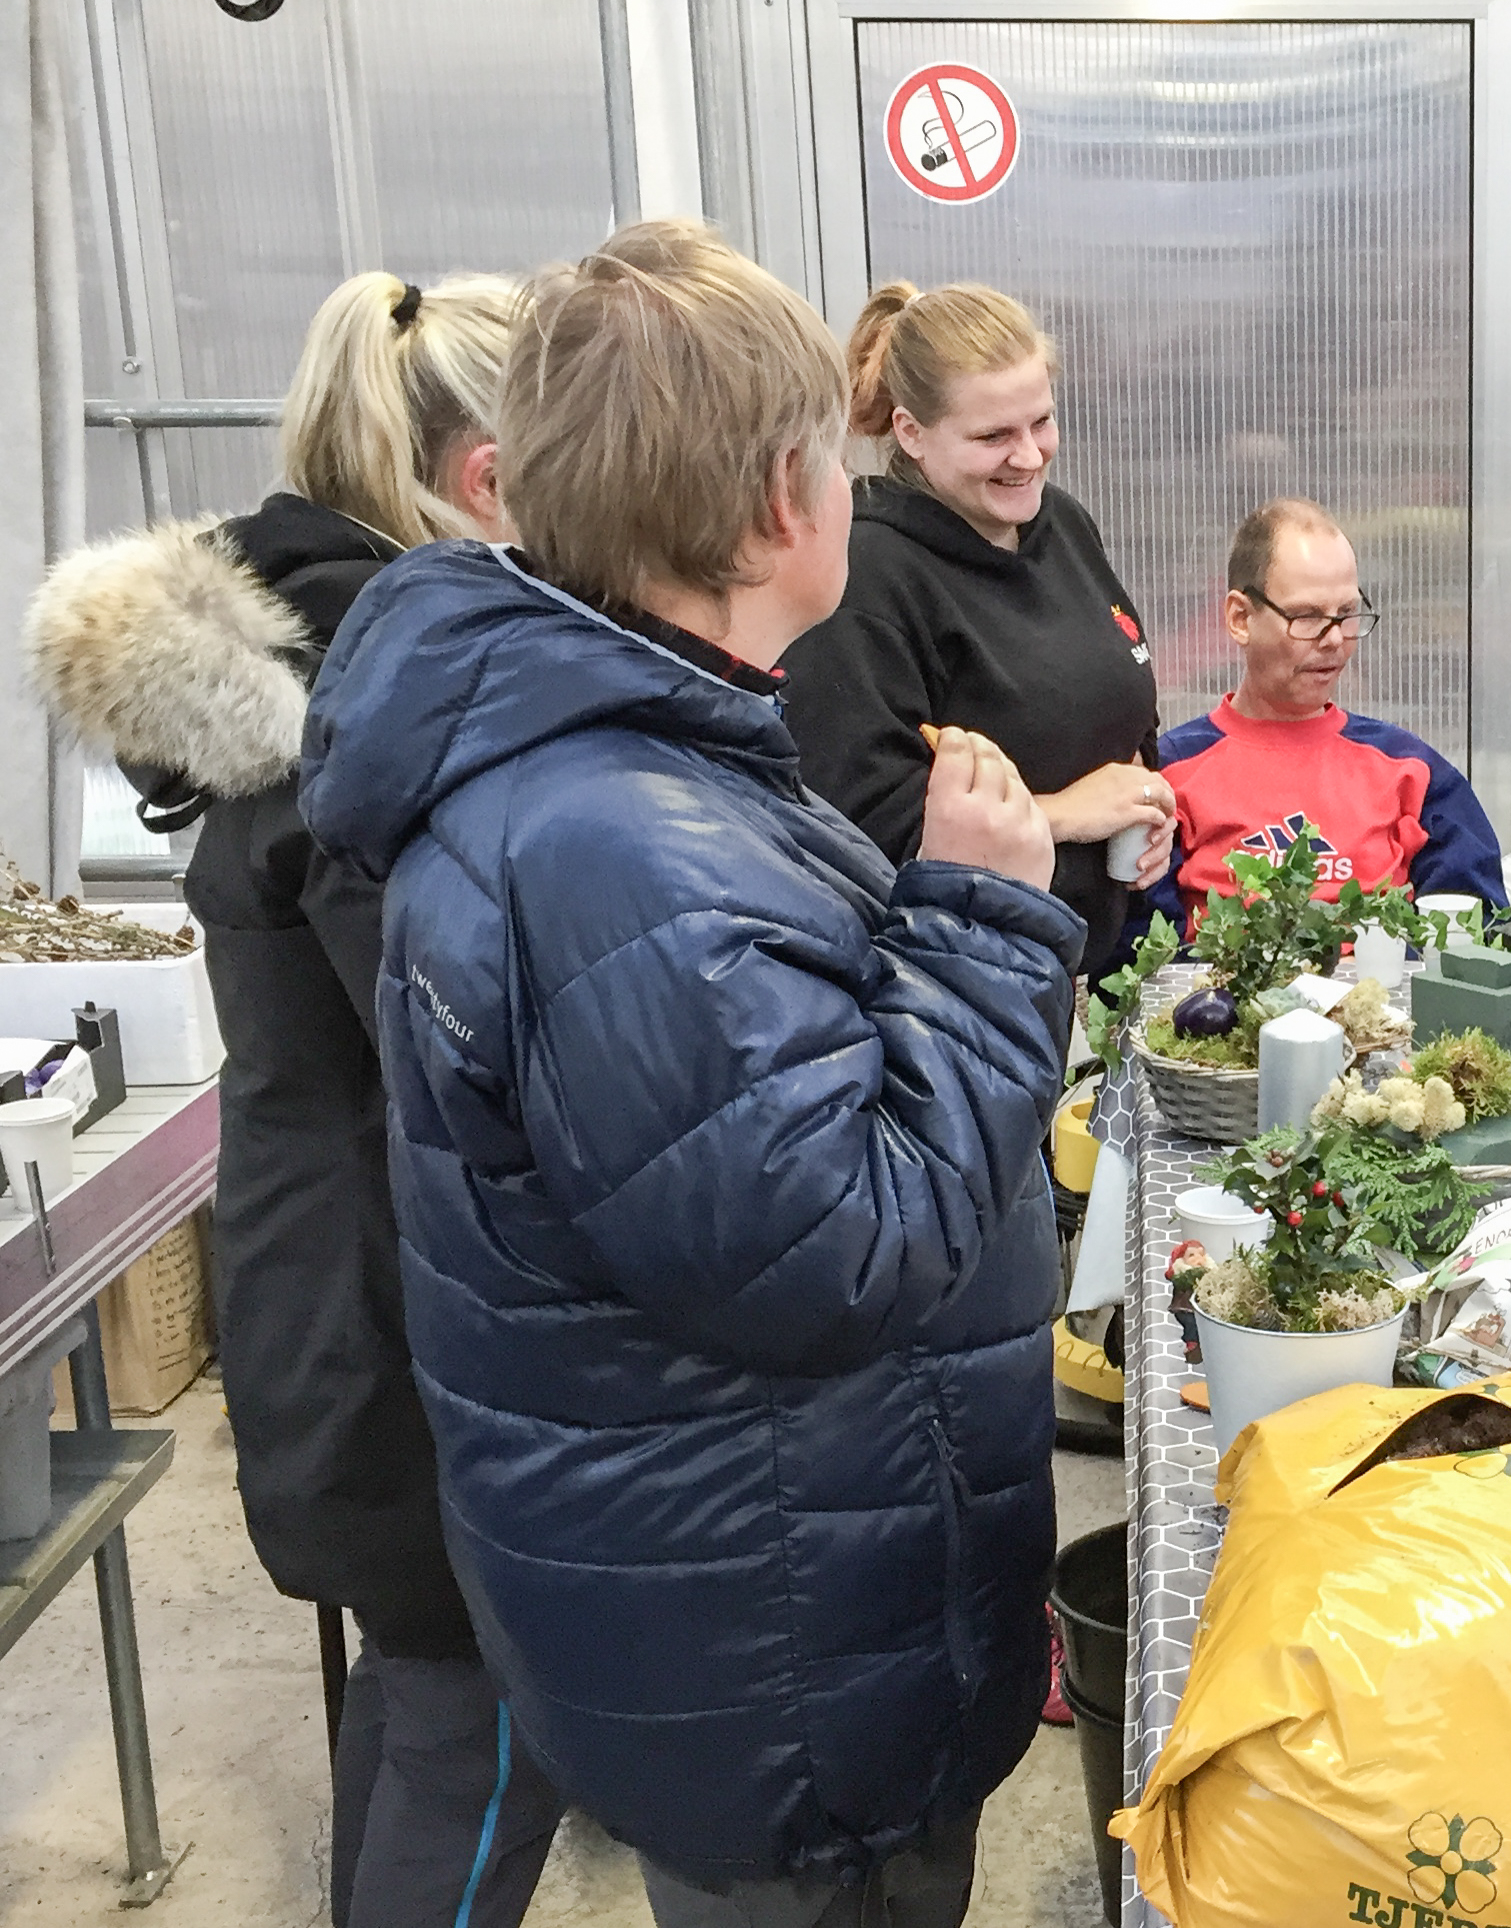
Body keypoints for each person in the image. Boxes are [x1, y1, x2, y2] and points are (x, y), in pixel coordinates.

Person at [297, 221, 1079, 1926]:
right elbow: (840, 1247)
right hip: (777, 1650)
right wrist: (990, 918)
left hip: (783, 1583)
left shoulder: (647, 760)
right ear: (776, 508)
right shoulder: (616, 846)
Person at [25, 270, 562, 1927]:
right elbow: (469, 1054)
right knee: (488, 1721)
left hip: (324, 1273)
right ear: (488, 474)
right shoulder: (382, 712)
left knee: (415, 1694)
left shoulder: (301, 670)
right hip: (405, 1312)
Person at [779, 280, 1169, 972]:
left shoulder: (1062, 525)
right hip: (958, 987)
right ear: (911, 432)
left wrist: (1142, 799)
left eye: (1041, 422)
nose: (1029, 455)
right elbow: (859, 834)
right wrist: (1066, 814)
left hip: (1090, 971)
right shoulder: (866, 573)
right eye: (994, 436)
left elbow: (1122, 704)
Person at [1144, 497, 1506, 934]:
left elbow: (1476, 934)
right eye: (1308, 616)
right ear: (1240, 617)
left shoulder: (1413, 774)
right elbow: (1138, 956)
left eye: (1347, 614)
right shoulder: (1169, 777)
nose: (1335, 639)